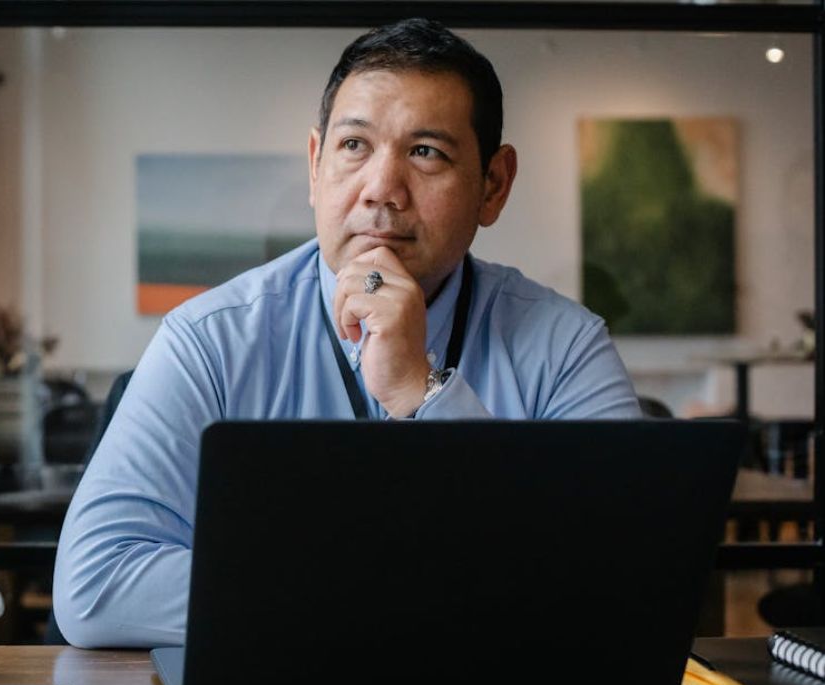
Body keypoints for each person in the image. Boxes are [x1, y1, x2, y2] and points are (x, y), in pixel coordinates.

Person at [53, 18, 641, 649]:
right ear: (316, 164)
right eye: (355, 146)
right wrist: (393, 585)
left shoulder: (564, 347)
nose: (382, 190)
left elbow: (629, 582)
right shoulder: (210, 340)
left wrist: (423, 393)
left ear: (492, 186)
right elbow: (96, 584)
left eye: (426, 153)